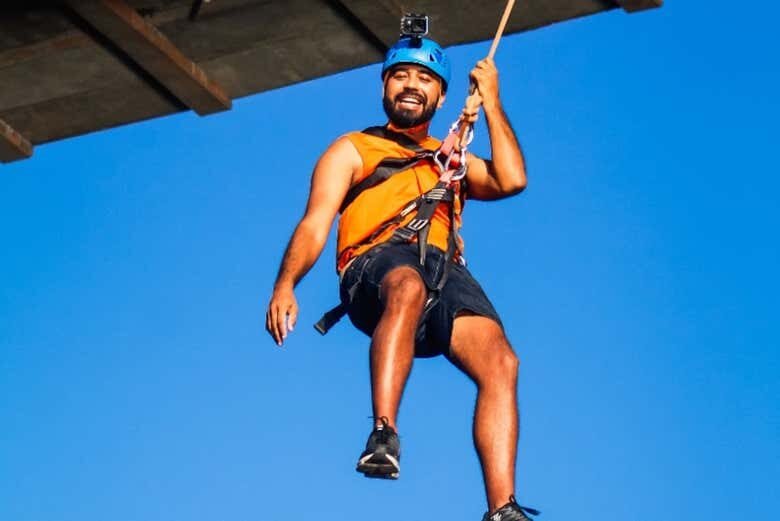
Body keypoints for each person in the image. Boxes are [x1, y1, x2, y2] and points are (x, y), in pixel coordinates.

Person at [265, 35, 537, 521]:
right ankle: (383, 433)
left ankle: (502, 509)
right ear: (385, 86)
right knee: (406, 284)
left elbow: (511, 179)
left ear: (441, 96)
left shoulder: (450, 159)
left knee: (502, 361)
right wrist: (286, 284)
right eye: (402, 76)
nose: (412, 85)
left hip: (444, 269)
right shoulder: (353, 149)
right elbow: (315, 222)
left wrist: (491, 102)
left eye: (426, 79)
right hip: (374, 266)